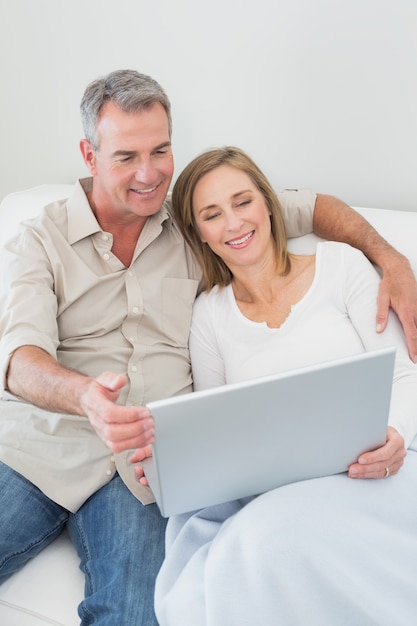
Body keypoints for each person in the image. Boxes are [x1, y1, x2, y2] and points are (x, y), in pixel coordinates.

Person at [0, 69, 415, 625]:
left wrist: (392, 259)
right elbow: (20, 361)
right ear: (89, 153)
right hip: (43, 450)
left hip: (145, 471)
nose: (149, 174)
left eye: (161, 150)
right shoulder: (38, 239)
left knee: (134, 615)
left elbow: (313, 208)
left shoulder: (195, 217)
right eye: (126, 156)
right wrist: (86, 398)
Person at [151, 146, 417, 626]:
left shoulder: (341, 266)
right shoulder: (209, 315)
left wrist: (396, 436)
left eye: (242, 202)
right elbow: (216, 426)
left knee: (269, 540)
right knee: (260, 541)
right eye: (212, 215)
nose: (233, 223)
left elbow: (403, 373)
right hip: (276, 498)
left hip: (374, 475)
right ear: (199, 235)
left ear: (268, 204)